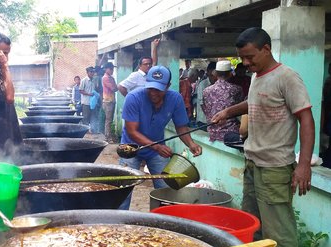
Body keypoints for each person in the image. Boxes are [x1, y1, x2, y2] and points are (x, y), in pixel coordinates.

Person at [212, 27, 314, 247]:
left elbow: (306, 119)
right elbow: (255, 102)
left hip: (274, 169)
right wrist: (229, 111)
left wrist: (303, 165)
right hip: (253, 165)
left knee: (279, 234)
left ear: (266, 49)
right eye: (242, 58)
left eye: (250, 57)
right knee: (255, 229)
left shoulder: (287, 77)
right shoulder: (259, 77)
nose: (245, 63)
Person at [119, 66, 202, 208]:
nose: (153, 93)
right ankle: (118, 222)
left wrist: (191, 144)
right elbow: (132, 131)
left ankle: (163, 220)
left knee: (165, 190)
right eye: (150, 87)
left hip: (155, 151)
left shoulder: (175, 99)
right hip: (131, 149)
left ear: (168, 86)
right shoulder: (133, 97)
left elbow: (181, 127)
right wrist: (157, 147)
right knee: (123, 190)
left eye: (158, 89)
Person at [202, 60, 243, 142]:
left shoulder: (206, 91)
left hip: (213, 133)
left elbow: (206, 110)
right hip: (231, 133)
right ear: (230, 74)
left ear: (216, 74)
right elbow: (240, 110)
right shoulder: (237, 89)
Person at [102, 62, 118, 142]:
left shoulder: (111, 78)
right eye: (111, 69)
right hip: (108, 101)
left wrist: (116, 87)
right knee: (108, 120)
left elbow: (115, 88)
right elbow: (114, 88)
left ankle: (109, 136)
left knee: (109, 120)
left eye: (113, 69)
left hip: (111, 100)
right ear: (106, 69)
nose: (112, 70)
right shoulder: (105, 78)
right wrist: (116, 86)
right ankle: (107, 137)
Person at [80, 66, 96, 131]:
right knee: (86, 118)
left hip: (93, 103)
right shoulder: (84, 80)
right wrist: (89, 94)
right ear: (87, 72)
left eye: (93, 72)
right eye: (91, 72)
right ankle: (85, 131)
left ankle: (92, 130)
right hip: (86, 102)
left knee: (93, 117)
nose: (92, 73)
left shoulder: (94, 80)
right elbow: (81, 90)